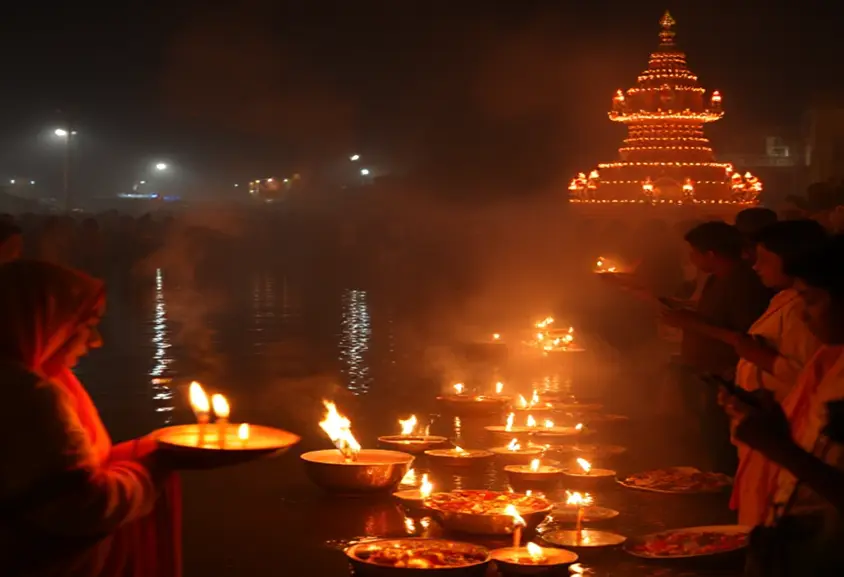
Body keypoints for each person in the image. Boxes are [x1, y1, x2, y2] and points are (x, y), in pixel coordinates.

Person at [0, 260, 181, 577]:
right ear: (45, 321)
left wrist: (147, 448)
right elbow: (82, 505)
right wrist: (155, 467)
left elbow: (55, 477)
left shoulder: (43, 379)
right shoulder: (26, 397)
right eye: (87, 324)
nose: (96, 341)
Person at [722, 235, 844, 576]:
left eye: (813, 301)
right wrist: (770, 419)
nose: (804, 316)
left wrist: (779, 447)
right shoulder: (830, 360)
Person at [728, 220, 829, 525]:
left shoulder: (807, 311)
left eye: (765, 259)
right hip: (769, 425)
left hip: (787, 434)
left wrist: (756, 355)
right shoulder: (783, 298)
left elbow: (803, 376)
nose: (755, 266)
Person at [661, 221, 772, 472]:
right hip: (711, 374)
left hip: (730, 377)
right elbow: (711, 315)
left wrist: (689, 324)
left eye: (694, 252)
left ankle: (725, 501)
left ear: (710, 254)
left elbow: (743, 336)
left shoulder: (743, 283)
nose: (691, 258)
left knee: (723, 447)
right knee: (710, 439)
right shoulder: (716, 279)